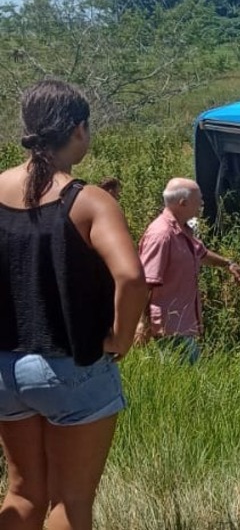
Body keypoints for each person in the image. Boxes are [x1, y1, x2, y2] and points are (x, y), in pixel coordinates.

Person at [0, 80, 148, 530]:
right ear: (79, 130)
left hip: (5, 367)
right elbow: (131, 276)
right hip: (72, 365)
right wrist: (120, 338)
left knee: (22, 491)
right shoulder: (88, 201)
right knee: (71, 501)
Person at [136, 178, 240, 363]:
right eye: (199, 200)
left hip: (181, 324)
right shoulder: (161, 235)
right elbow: (145, 283)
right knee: (188, 375)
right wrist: (142, 323)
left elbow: (201, 254)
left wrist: (228, 264)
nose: (202, 204)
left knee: (184, 376)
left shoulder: (182, 230)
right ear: (183, 203)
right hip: (168, 326)